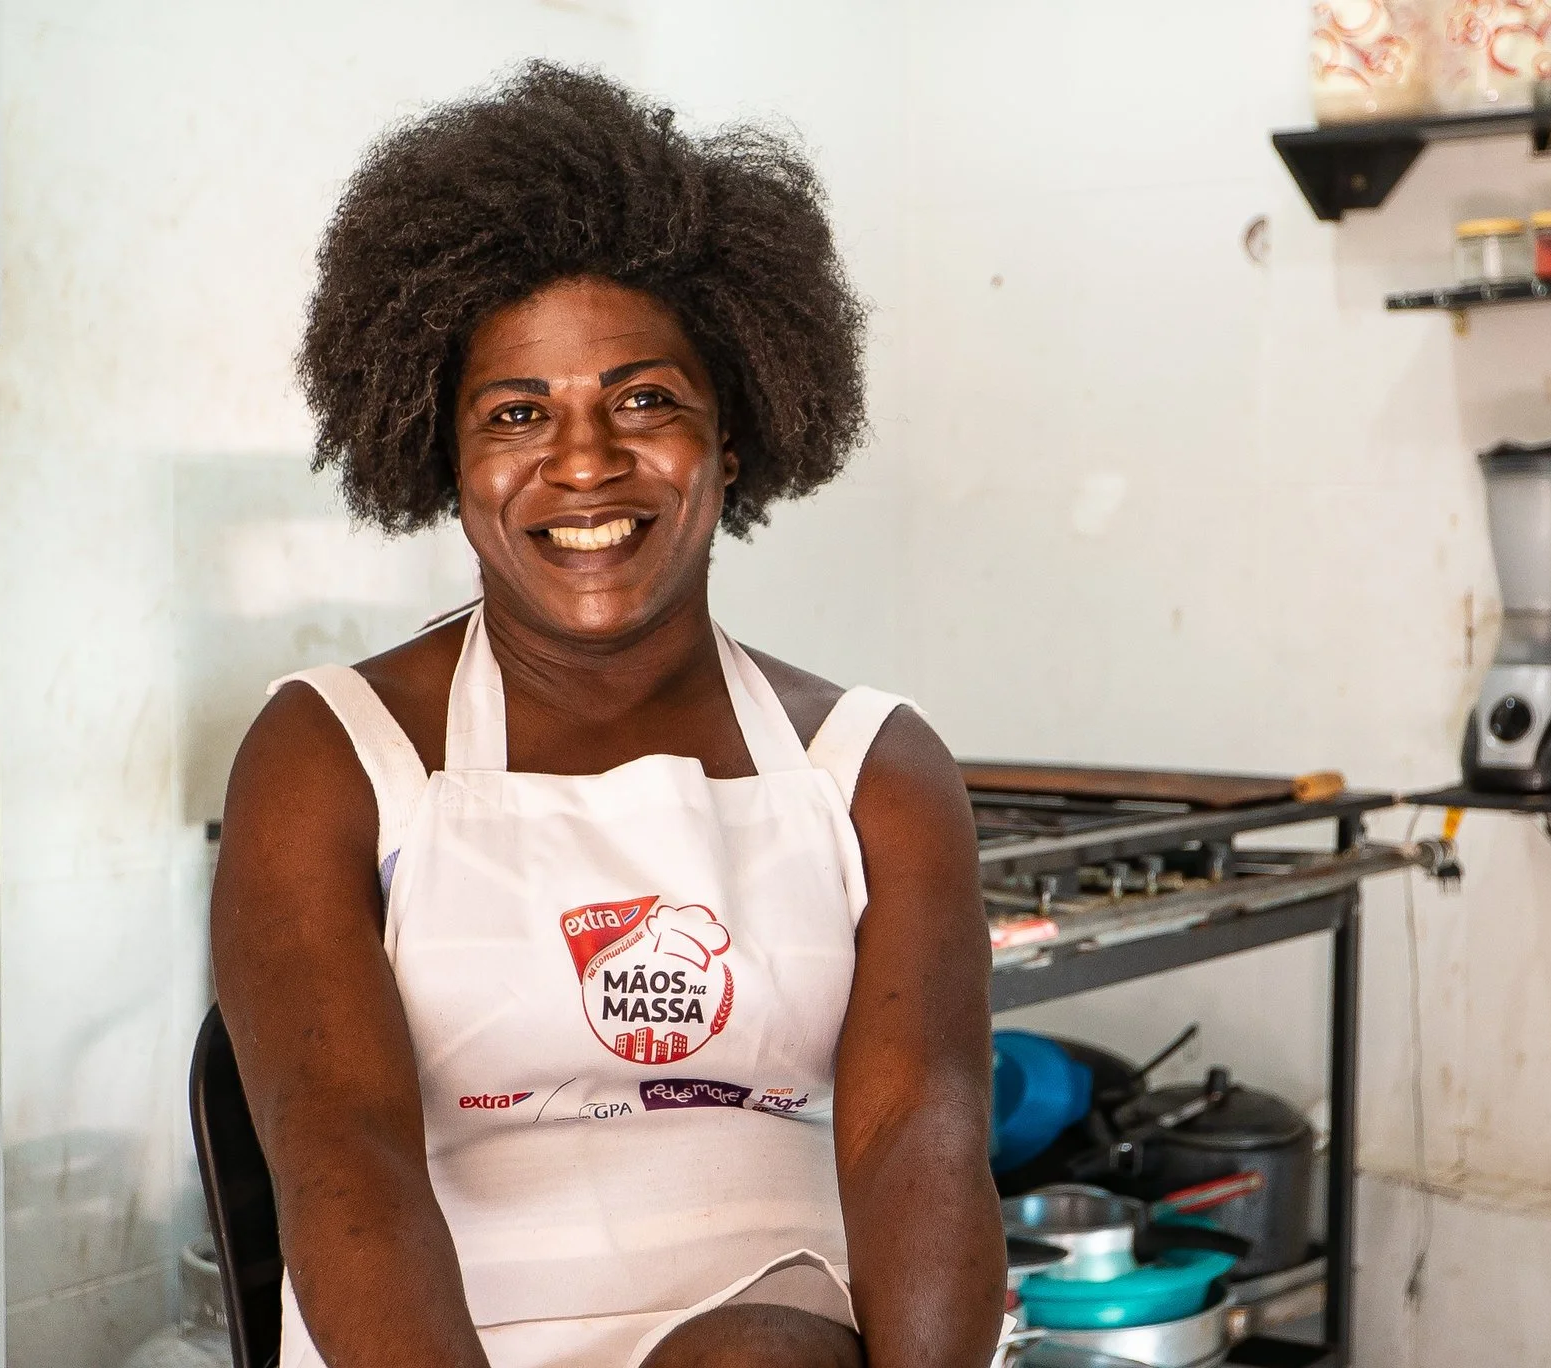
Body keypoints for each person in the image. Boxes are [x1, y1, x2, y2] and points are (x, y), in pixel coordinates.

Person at [208, 63, 1006, 1368]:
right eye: (518, 414)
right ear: (447, 459)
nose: (585, 461)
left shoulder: (872, 771)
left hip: (769, 1323)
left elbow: (919, 1140)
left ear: (732, 436)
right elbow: (341, 1155)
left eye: (645, 400)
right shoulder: (329, 755)